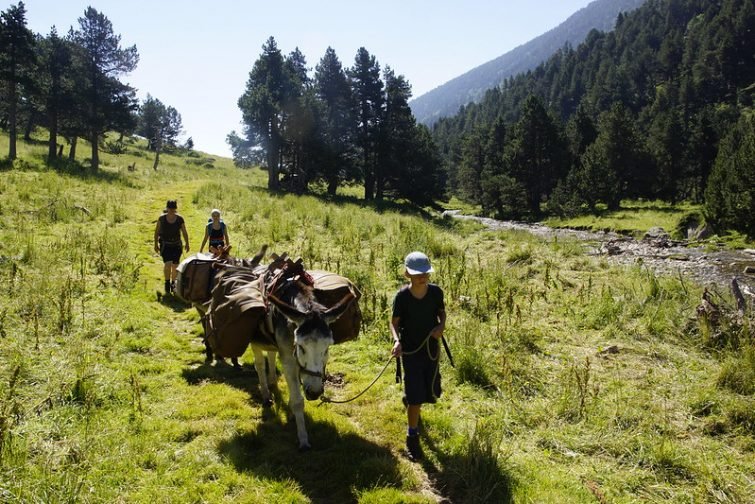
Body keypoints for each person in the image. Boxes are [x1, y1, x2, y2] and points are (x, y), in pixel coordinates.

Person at [390, 251, 447, 461]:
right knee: (416, 397)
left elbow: (441, 313)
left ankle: (410, 400)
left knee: (431, 388)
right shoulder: (402, 297)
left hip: (431, 349)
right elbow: (394, 323)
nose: (422, 277)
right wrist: (397, 341)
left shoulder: (435, 293)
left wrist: (441, 326)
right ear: (407, 274)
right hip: (411, 350)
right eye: (417, 274)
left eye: (425, 273)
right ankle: (412, 436)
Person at [154, 200, 190, 294]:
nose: (171, 211)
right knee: (167, 264)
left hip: (176, 245)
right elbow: (157, 232)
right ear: (167, 208)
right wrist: (155, 244)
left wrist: (187, 243)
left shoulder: (179, 219)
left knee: (175, 265)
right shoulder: (161, 219)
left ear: (175, 209)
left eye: (173, 209)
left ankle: (173, 283)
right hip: (165, 245)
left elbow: (184, 231)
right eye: (170, 209)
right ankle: (167, 283)